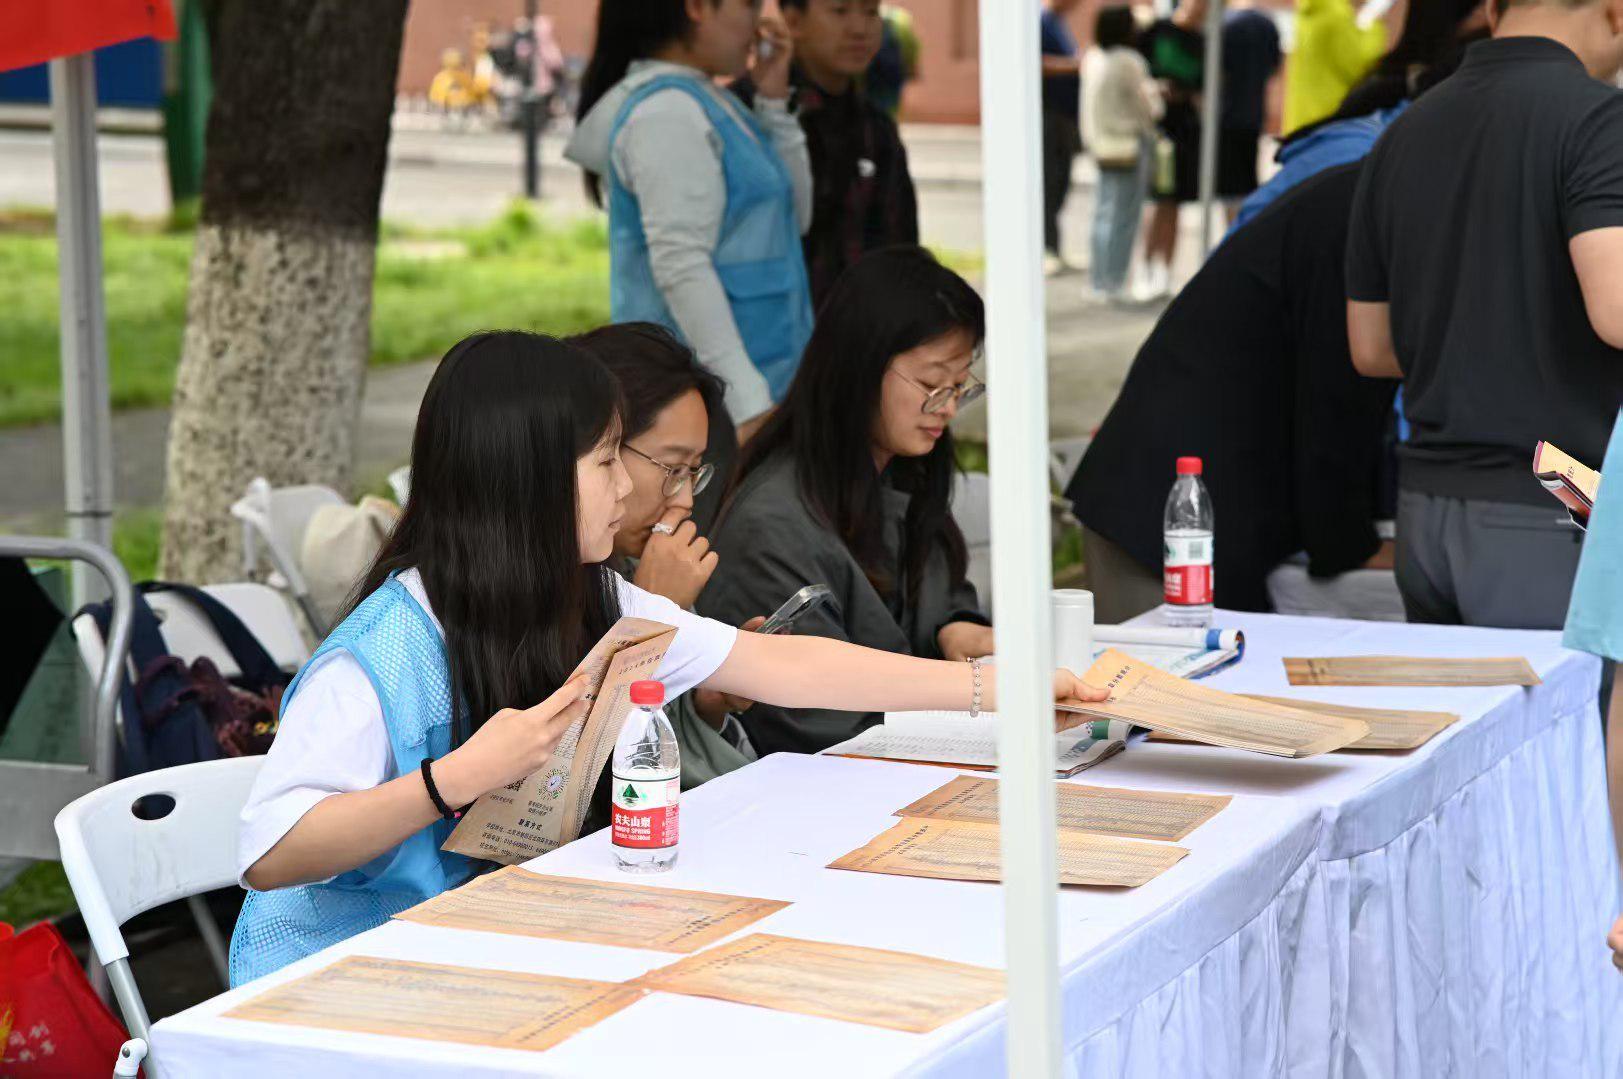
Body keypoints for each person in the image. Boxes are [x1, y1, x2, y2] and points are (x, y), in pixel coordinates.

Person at [228, 330, 1099, 985]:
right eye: (607, 460)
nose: (628, 488)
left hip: (488, 951)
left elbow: (781, 666)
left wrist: (989, 687)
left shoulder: (596, 598)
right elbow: (272, 851)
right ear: (526, 477)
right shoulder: (381, 652)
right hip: (336, 983)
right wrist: (452, 777)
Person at [1345, 0, 1623, 629]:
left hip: (1426, 505)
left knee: (1468, 698)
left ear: (1493, 11)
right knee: (1569, 694)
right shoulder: (1601, 119)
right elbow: (1616, 310)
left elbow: (1371, 346)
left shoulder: (1405, 130)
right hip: (1555, 492)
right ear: (1614, 12)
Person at [1067, 163, 1396, 621]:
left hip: (1208, 512)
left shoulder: (1368, 197)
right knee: (1165, 667)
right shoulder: (1361, 215)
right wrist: (1349, 542)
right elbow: (1337, 394)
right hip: (1168, 522)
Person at [699, 247, 993, 754]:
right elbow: (821, 722)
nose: (947, 407)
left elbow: (945, 591)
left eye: (959, 385)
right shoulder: (773, 526)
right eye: (931, 384)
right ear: (860, 368)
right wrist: (971, 694)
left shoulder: (905, 470)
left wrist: (956, 626)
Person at [566, 0, 815, 447]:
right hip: (712, 411)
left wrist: (774, 103)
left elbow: (794, 220)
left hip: (753, 393)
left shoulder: (707, 100)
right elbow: (682, 266)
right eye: (749, 4)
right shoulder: (667, 113)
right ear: (698, 8)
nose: (759, 20)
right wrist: (748, 403)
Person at [569, 322, 759, 787]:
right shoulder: (525, 585)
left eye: (693, 472)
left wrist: (706, 705)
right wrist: (649, 618)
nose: (685, 500)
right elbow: (558, 783)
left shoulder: (636, 565)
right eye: (672, 469)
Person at [1232, 0, 1486, 231]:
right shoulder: (1335, 15)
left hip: (1315, 118)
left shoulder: (1315, 13)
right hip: (1336, 115)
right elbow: (1362, 58)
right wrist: (1379, 26)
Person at [733, 0, 920, 307]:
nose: (859, 29)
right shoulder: (743, 114)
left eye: (871, 12)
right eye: (840, 11)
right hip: (766, 323)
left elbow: (901, 248)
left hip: (860, 326)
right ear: (794, 21)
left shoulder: (875, 128)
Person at [1082, 5, 1162, 298]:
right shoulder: (1129, 61)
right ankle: (1115, 281)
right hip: (1129, 143)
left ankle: (1098, 280)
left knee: (1103, 213)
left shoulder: (1093, 58)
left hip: (1101, 143)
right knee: (1125, 217)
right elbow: (1149, 108)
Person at [1138, 0, 1206, 297]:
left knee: (1174, 202)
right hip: (1155, 127)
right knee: (1157, 202)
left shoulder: (1201, 42)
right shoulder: (1157, 31)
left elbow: (1202, 86)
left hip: (1185, 131)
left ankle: (1165, 270)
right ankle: (1145, 266)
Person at [1283, 0, 1394, 135]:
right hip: (1330, 119)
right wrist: (1376, 28)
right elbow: (1358, 67)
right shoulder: (1337, 15)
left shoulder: (1312, 11)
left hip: (1302, 118)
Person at [1216, 2, 1281, 215]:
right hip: (1253, 114)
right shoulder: (1267, 24)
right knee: (1246, 183)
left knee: (1230, 188)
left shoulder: (1225, 24)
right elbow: (1274, 68)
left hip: (1225, 116)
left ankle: (1235, 231)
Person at [1040, 0, 1086, 273]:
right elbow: (1035, 62)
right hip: (1049, 114)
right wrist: (1074, 65)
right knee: (1048, 182)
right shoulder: (1041, 22)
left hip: (1065, 117)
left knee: (1060, 182)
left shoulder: (1058, 24)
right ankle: (1046, 248)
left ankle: (1054, 246)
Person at [865, 3, 920, 118]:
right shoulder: (900, 18)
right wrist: (912, 67)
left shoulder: (861, 15)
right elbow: (911, 46)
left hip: (867, 77)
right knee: (889, 111)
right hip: (891, 78)